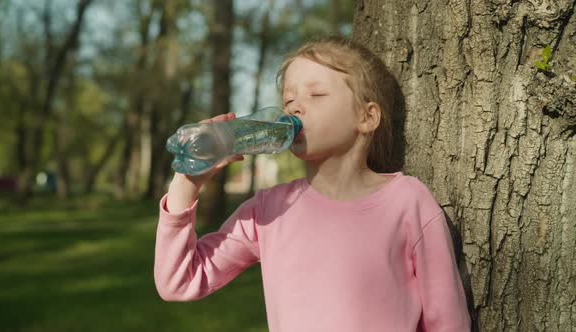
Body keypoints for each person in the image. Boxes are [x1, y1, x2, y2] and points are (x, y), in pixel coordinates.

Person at [154, 36, 471, 331]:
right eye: (288, 98)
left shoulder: (407, 201)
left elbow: (447, 321)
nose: (294, 107)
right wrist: (186, 184)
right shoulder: (268, 211)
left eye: (316, 94)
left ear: (366, 117)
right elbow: (178, 281)